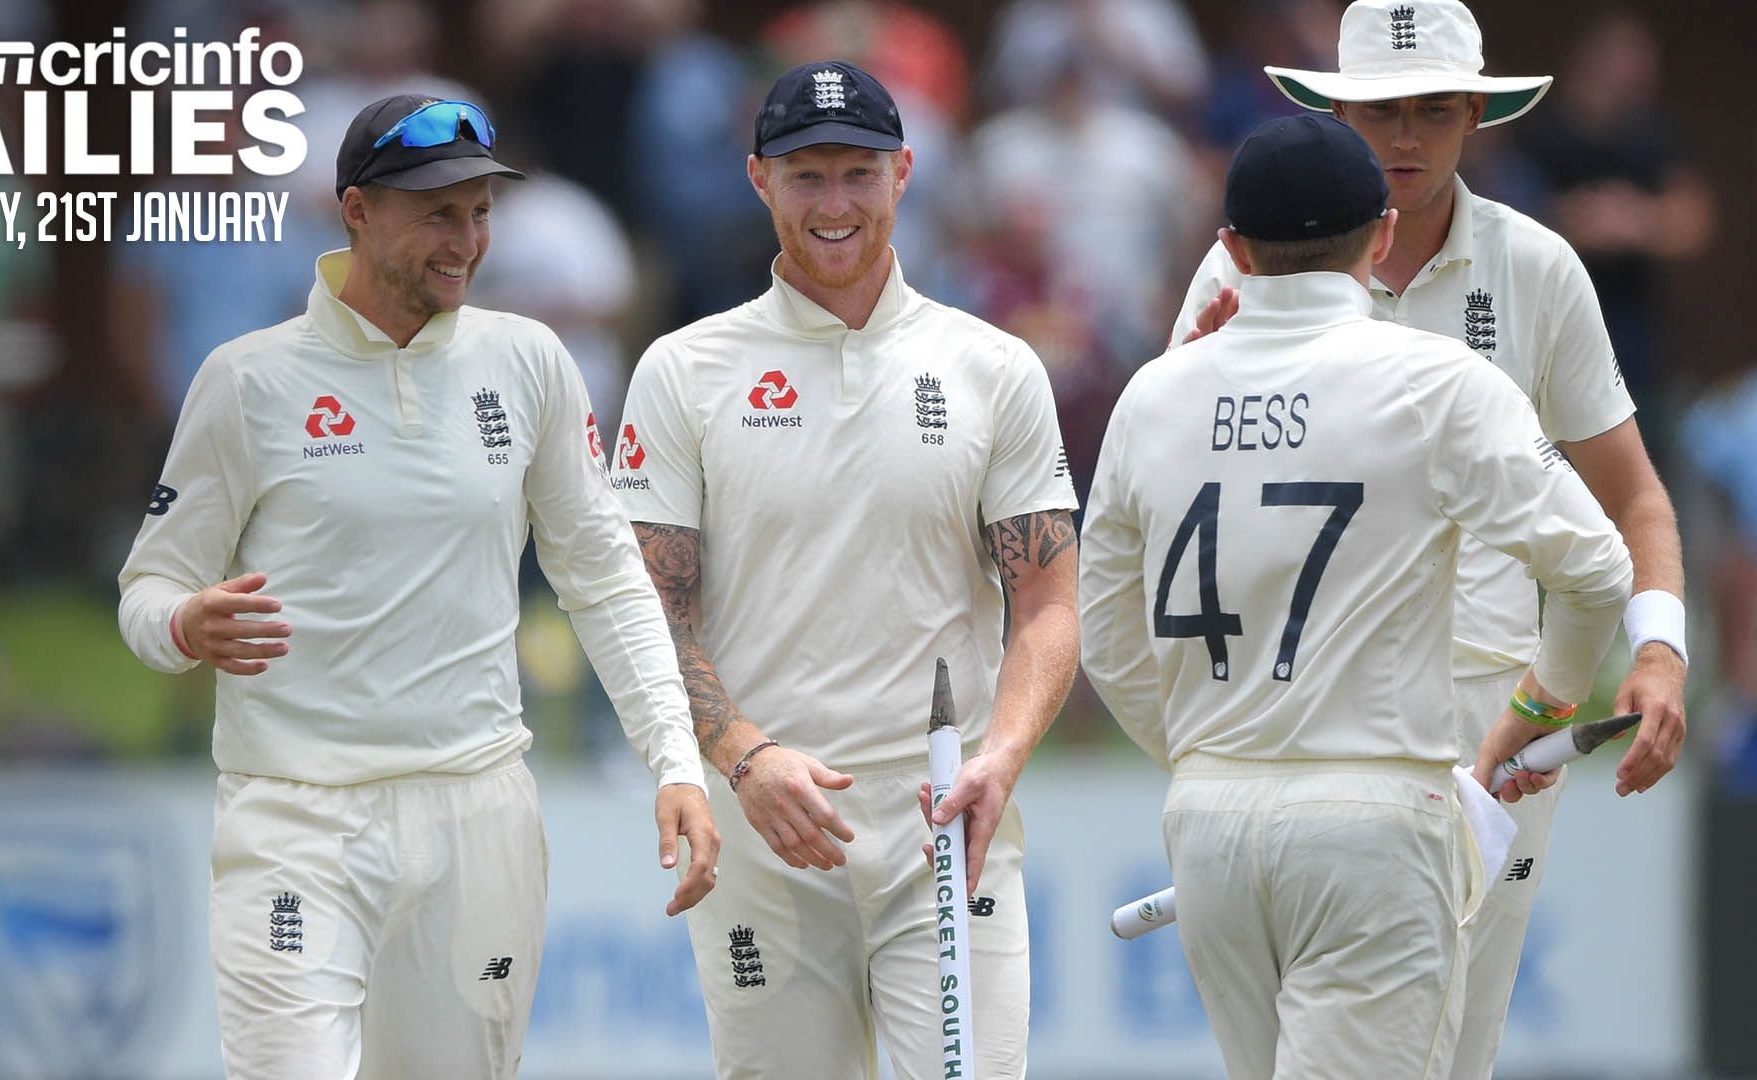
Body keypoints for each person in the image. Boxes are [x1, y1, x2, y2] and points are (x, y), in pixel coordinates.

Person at [116, 94, 718, 1078]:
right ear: (357, 211)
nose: (467, 240)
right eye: (439, 212)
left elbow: (604, 576)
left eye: (481, 211)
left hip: (477, 812)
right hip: (296, 816)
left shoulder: (527, 362)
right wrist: (184, 623)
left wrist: (674, 760)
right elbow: (148, 588)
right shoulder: (248, 380)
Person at [1167, 3, 1688, 1073]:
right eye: (1383, 112)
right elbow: (1168, 497)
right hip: (1290, 719)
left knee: (1453, 1053)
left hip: (1491, 716)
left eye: (1435, 112)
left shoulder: (1535, 267)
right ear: (1338, 107)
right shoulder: (1238, 274)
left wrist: (1659, 648)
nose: (1406, 139)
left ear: (1475, 118)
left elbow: (1632, 500)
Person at [1082, 112, 1634, 1079]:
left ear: (1230, 252)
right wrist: (1540, 704)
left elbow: (1107, 632)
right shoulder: (1440, 380)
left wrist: (1212, 754)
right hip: (1376, 823)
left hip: (1207, 821)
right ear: (1381, 238)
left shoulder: (1151, 394)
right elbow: (1595, 569)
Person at [613, 60, 1079, 1078]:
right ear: (758, 181)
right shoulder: (686, 370)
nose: (834, 205)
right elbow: (647, 612)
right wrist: (742, 754)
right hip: (770, 841)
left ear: (905, 173)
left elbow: (1046, 601)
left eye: (857, 175)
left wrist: (1000, 756)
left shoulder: (990, 367)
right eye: (806, 177)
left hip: (945, 838)